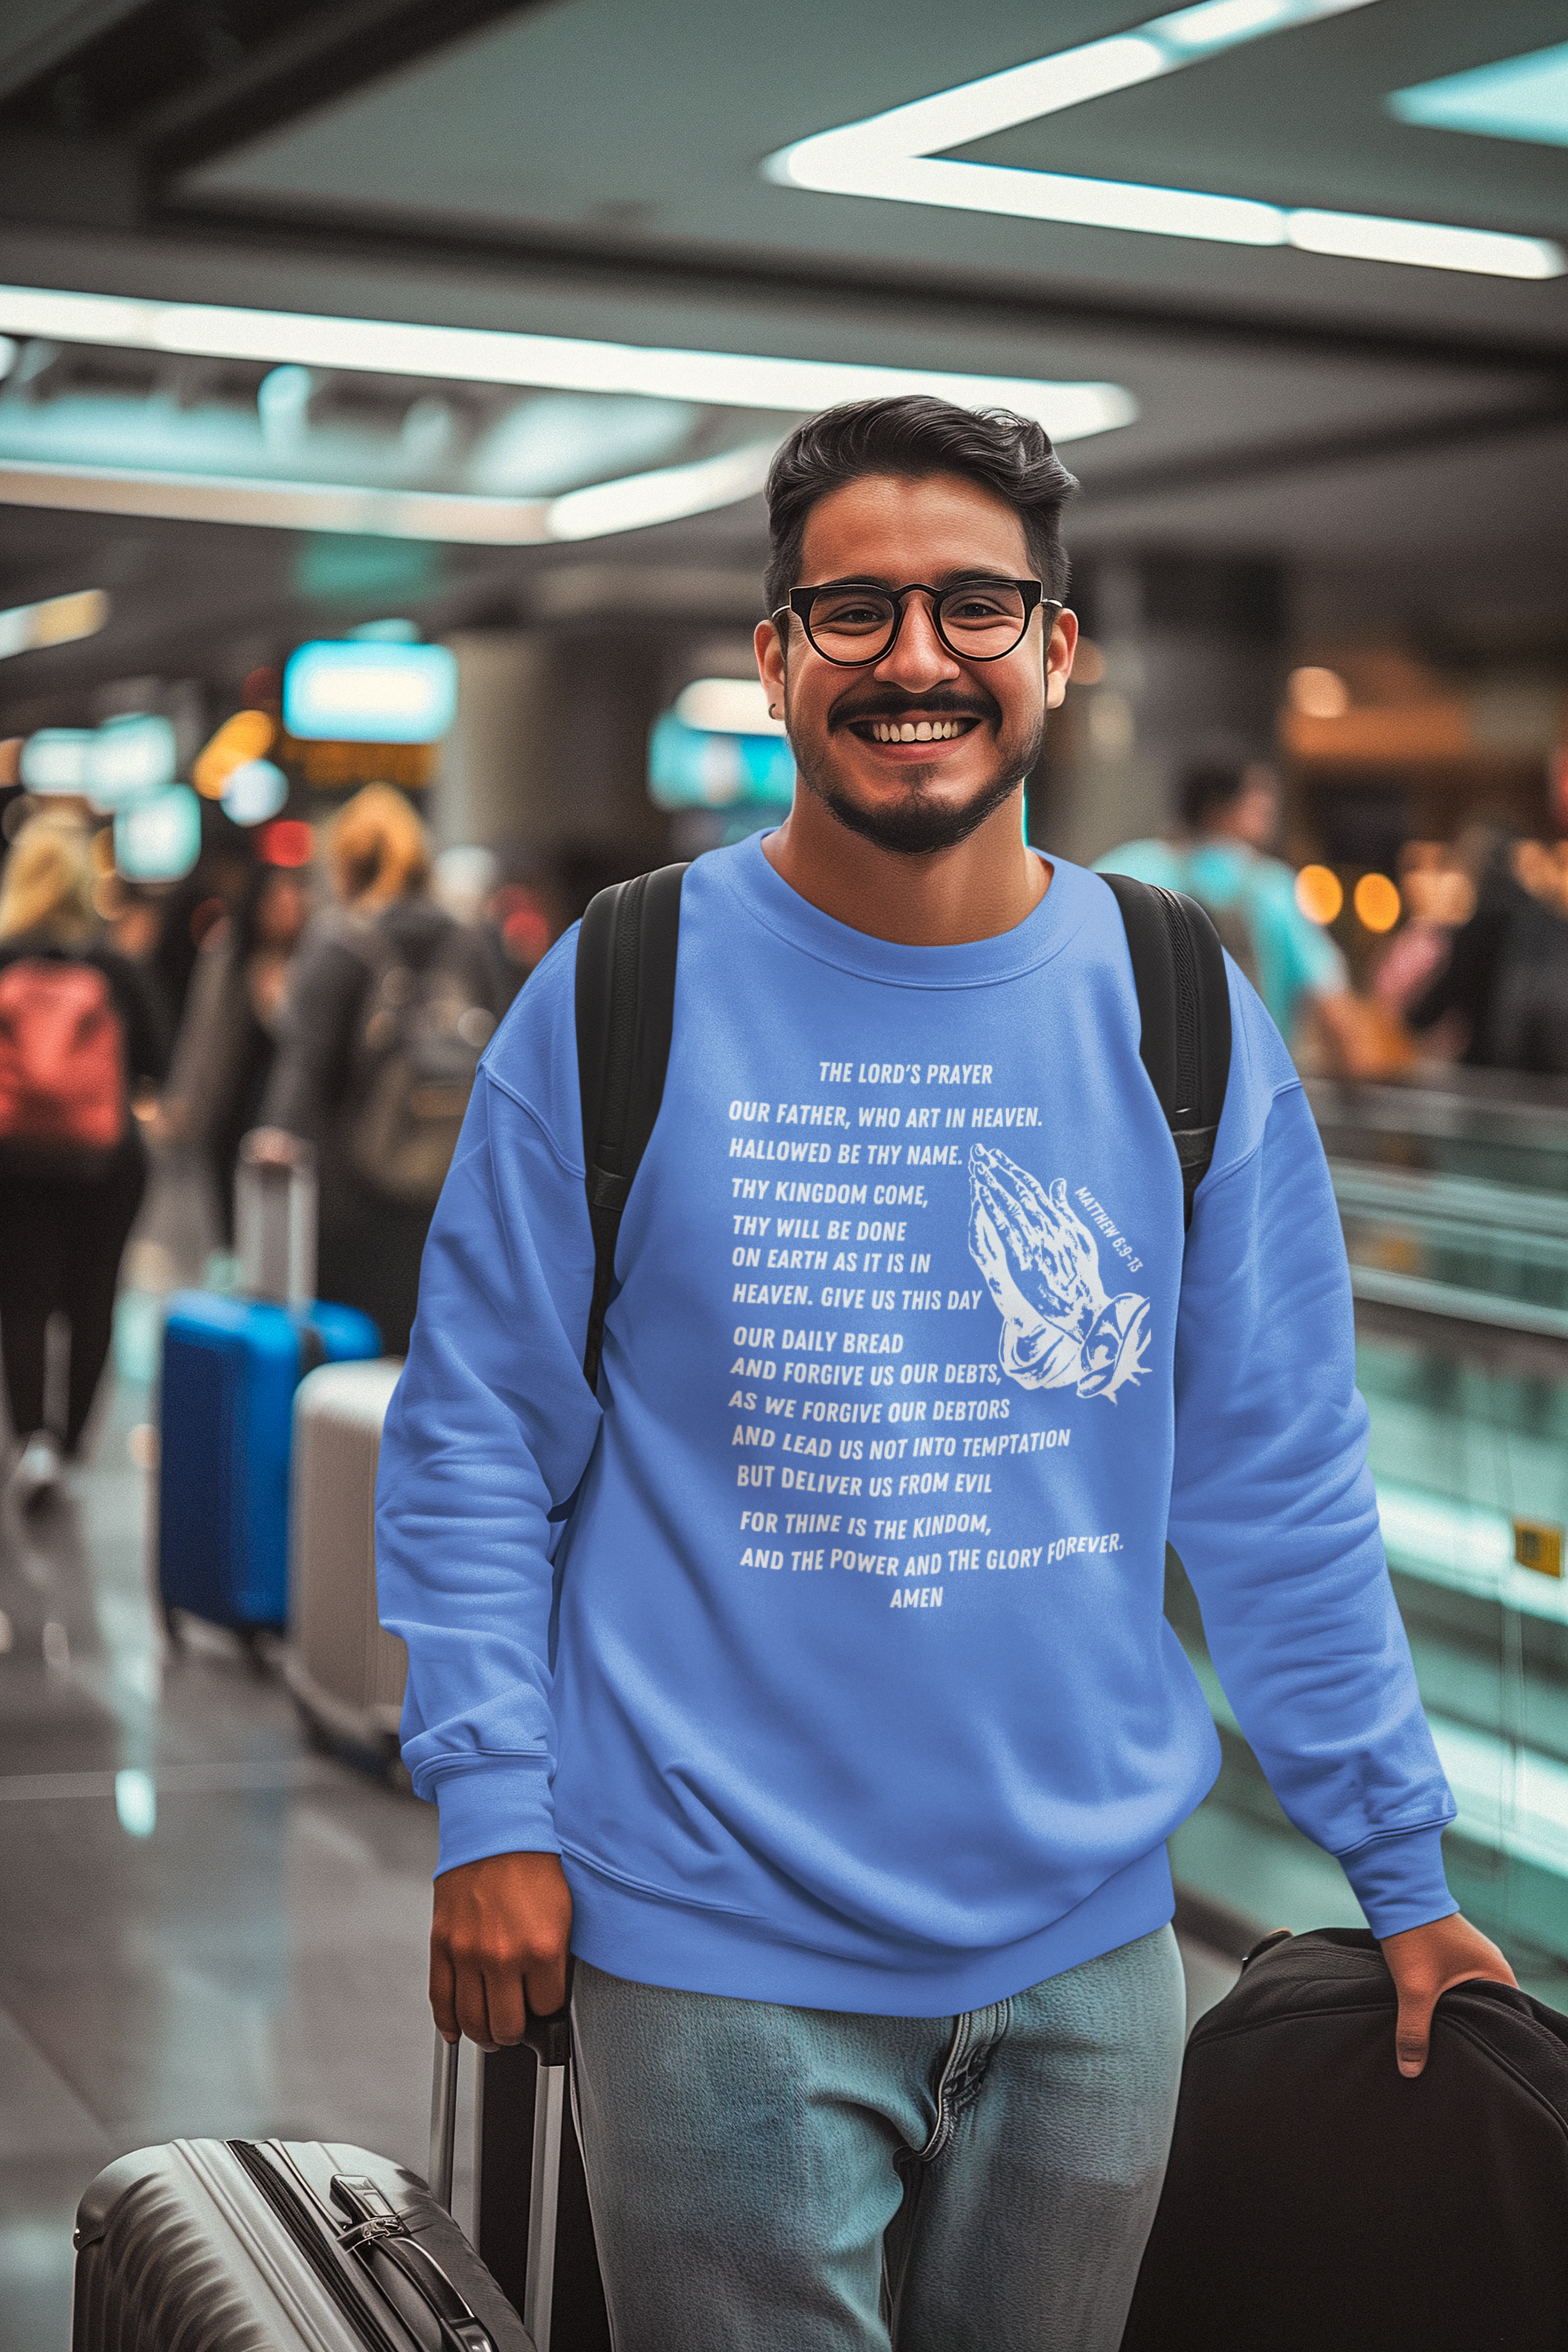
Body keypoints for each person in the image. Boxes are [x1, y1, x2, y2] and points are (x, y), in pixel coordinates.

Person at [376, 397, 1512, 2352]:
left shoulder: (1178, 1011)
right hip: (713, 1949)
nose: (916, 657)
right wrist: (490, 1800)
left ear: (1056, 652)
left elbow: (1277, 1482)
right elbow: (477, 1427)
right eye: (856, 610)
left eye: (975, 607)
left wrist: (1393, 1863)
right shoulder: (621, 984)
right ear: (773, 657)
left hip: (1091, 1963)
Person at [255, 785, 499, 1355]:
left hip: (350, 1191)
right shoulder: (468, 942)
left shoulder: (338, 941)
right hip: (445, 1187)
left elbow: (304, 1070)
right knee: (420, 1347)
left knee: (346, 1358)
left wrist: (275, 1140)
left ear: (345, 863)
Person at [0, 816, 168, 1504]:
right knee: (95, 1296)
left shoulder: (5, 958)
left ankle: (33, 1441)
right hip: (105, 1164)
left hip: (13, 1160)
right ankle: (69, 1447)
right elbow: (158, 1060)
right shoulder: (113, 966)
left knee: (23, 1298)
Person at [1095, 753, 1403, 1073]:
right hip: (1244, 1091)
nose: (1271, 810)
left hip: (1139, 1081)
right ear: (1218, 810)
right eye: (1259, 801)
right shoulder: (1273, 888)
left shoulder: (1124, 868)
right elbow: (1335, 1015)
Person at [162, 855, 310, 1243]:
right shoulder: (229, 951)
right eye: (276, 901)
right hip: (231, 1104)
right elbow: (202, 1029)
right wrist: (183, 1097)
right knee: (230, 1213)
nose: (286, 910)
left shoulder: (314, 961)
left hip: (286, 1110)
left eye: (293, 900)